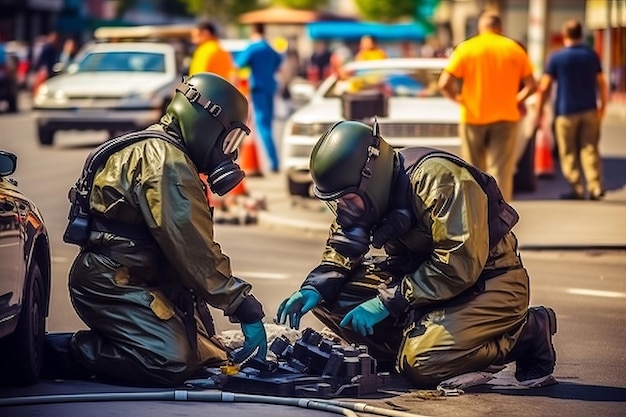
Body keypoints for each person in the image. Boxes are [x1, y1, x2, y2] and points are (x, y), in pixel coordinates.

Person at [276, 119, 558, 389]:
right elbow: (344, 245)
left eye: (347, 199)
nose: (343, 208)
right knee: (331, 296)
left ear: (369, 178)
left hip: (488, 282)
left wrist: (387, 302)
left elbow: (458, 265)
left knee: (422, 363)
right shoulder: (365, 193)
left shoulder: (440, 180)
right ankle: (402, 350)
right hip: (421, 280)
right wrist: (317, 285)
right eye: (336, 201)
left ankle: (526, 334)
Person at [43, 73, 268, 387]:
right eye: (228, 140)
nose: (228, 153)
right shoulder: (167, 162)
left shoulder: (161, 148)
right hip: (115, 282)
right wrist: (242, 304)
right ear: (206, 122)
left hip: (139, 279)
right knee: (169, 361)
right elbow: (193, 249)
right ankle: (60, 352)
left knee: (210, 354)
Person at [437, 12, 537, 202]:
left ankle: (477, 214)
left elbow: (444, 83)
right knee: (501, 170)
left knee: (473, 170)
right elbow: (533, 86)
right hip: (506, 117)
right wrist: (516, 99)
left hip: (473, 116)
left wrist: (458, 99)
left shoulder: (466, 48)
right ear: (500, 28)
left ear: (480, 28)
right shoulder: (514, 49)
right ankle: (499, 217)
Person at [535, 19, 607, 201]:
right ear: (581, 34)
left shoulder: (556, 57)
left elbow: (544, 87)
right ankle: (595, 186)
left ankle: (576, 188)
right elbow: (602, 83)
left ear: (565, 35)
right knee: (590, 148)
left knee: (568, 152)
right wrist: (603, 107)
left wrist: (539, 110)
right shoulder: (591, 55)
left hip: (565, 111)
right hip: (590, 110)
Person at [235, 23, 283, 173]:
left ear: (252, 31)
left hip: (258, 89)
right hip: (270, 87)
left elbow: (238, 63)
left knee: (263, 126)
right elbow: (278, 63)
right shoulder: (270, 48)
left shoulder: (253, 47)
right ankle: (274, 161)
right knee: (268, 123)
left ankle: (274, 163)